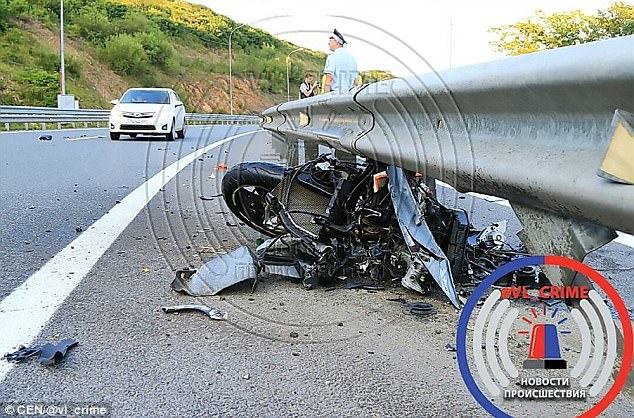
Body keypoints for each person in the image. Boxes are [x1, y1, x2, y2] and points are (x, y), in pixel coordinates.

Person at [323, 29, 359, 94]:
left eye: (330, 41)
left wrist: (324, 98)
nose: (328, 43)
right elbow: (356, 81)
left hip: (334, 96)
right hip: (348, 97)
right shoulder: (353, 59)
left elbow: (329, 79)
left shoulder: (332, 57)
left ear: (337, 42)